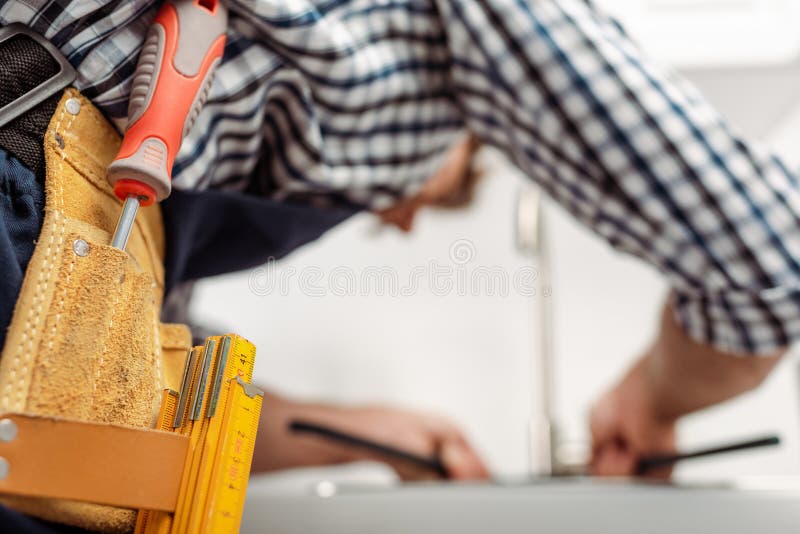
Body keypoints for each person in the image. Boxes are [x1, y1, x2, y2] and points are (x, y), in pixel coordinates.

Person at [0, 0, 798, 528]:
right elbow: (770, 260)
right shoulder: (457, 30)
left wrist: (358, 432)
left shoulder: (247, 136)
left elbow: (140, 369)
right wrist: (652, 403)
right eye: (439, 194)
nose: (401, 220)